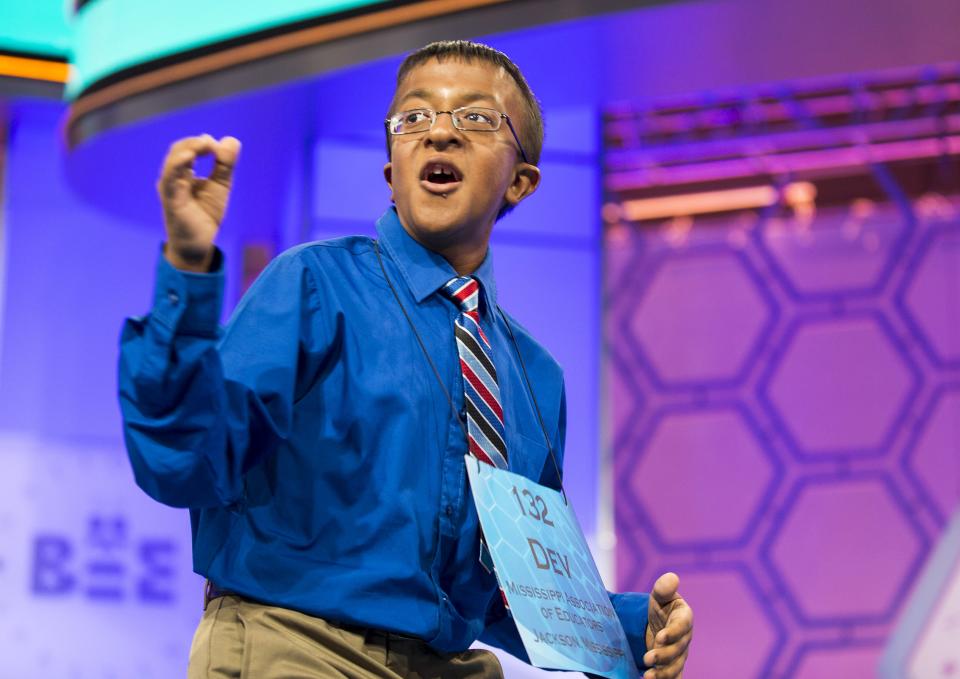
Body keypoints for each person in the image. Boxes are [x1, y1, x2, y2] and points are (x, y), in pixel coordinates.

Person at [119, 40, 693, 679]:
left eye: (474, 119)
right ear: (392, 168)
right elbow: (186, 460)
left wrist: (629, 631)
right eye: (414, 119)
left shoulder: (536, 377)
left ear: (521, 181)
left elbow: (517, 587)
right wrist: (189, 272)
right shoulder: (314, 285)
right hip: (298, 642)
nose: (438, 135)